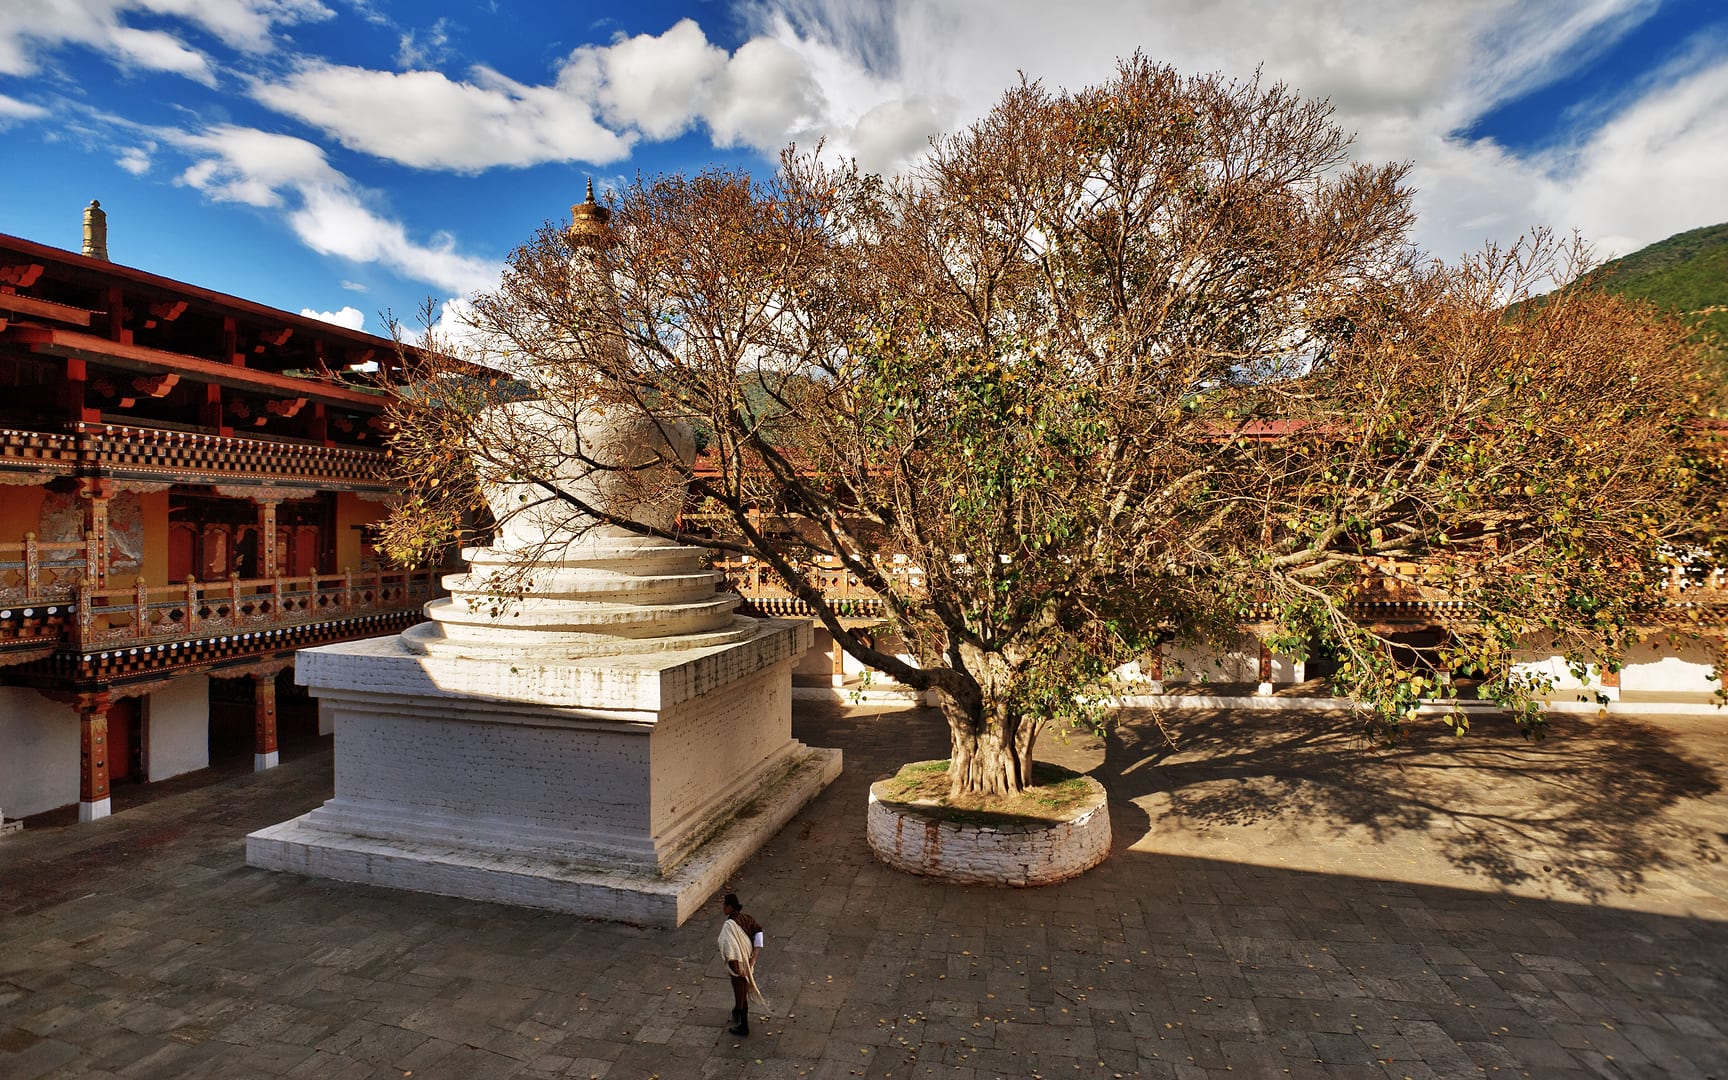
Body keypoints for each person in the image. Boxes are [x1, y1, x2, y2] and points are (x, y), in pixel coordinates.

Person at [716, 892, 766, 1036]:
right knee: (740, 992)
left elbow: (729, 950)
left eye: (724, 905)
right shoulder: (747, 918)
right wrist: (753, 959)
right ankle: (737, 1012)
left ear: (730, 907)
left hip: (739, 967)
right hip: (747, 963)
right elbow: (759, 933)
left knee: (740, 993)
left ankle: (744, 1026)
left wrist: (738, 970)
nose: (722, 907)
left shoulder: (728, 926)